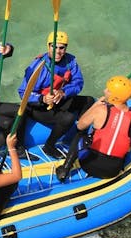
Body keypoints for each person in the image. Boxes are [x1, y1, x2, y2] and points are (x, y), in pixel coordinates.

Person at [18, 31, 94, 159]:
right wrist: (43, 98)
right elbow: (22, 92)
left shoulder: (71, 61)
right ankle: (49, 146)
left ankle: (79, 136)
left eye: (61, 48)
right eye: (54, 47)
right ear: (48, 47)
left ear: (65, 48)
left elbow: (78, 83)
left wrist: (64, 92)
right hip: (38, 106)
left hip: (58, 100)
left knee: (88, 100)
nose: (57, 51)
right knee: (68, 118)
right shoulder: (38, 66)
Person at [56, 76, 131, 181]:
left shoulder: (101, 109)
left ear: (115, 96)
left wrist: (95, 105)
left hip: (89, 165)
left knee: (81, 134)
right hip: (113, 170)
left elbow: (80, 125)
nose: (105, 91)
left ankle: (65, 169)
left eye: (108, 90)